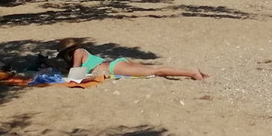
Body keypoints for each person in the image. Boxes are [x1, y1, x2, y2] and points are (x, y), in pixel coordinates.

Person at [57, 41, 208, 80]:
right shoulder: (83, 51)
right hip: (117, 63)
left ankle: (192, 73)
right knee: (154, 69)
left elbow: (75, 76)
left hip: (113, 68)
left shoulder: (77, 52)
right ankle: (191, 72)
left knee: (156, 71)